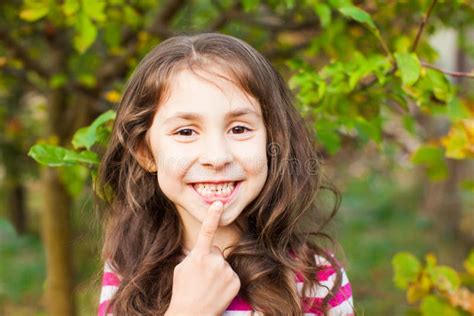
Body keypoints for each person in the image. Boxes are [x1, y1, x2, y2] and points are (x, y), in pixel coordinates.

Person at [96, 32, 354, 315]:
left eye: (239, 129)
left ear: (272, 143)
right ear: (145, 153)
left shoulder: (315, 278)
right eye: (186, 132)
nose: (217, 157)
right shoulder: (126, 271)